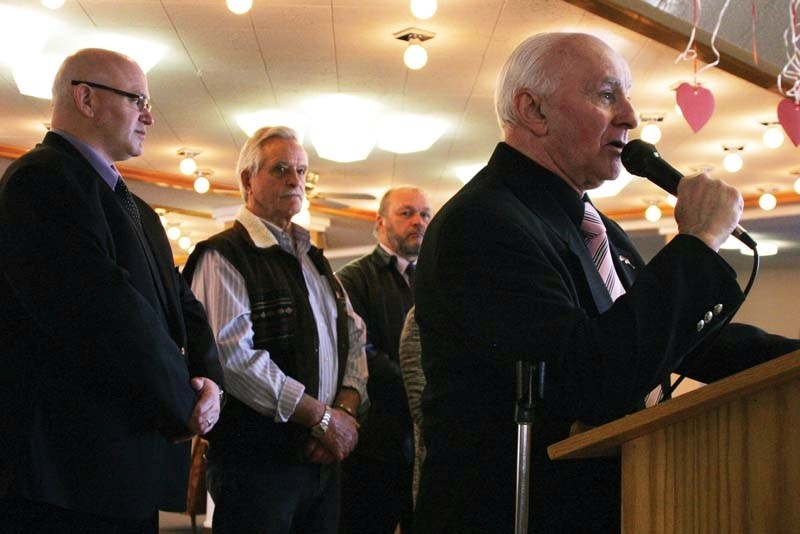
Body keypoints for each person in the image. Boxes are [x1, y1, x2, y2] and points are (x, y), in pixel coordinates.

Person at [412, 32, 800, 533]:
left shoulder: (590, 222)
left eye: (628, 96)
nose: (631, 117)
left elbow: (681, 343)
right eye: (606, 94)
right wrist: (697, 241)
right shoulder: (483, 223)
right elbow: (592, 379)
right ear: (533, 110)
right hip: (515, 513)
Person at [0, 48, 224, 533]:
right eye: (137, 99)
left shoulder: (137, 208)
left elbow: (183, 306)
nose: (149, 115)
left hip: (125, 470)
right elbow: (106, 313)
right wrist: (183, 404)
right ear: (85, 98)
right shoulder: (39, 181)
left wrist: (209, 382)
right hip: (65, 473)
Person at [183, 126, 368, 534]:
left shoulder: (315, 261)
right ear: (248, 180)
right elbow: (233, 361)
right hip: (257, 467)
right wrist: (321, 418)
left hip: (321, 461)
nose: (295, 180)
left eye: (302, 171)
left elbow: (354, 338)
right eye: (281, 168)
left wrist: (345, 411)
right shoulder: (223, 255)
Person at [336, 187, 431, 534]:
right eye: (407, 213)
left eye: (425, 214)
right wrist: (421, 390)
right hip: (375, 444)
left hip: (427, 443)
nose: (418, 221)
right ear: (379, 223)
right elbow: (361, 353)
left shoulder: (435, 280)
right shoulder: (353, 278)